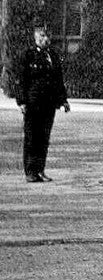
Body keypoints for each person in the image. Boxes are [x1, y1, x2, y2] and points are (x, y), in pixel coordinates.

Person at [16, 25, 70, 182]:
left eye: (47, 36)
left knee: (44, 138)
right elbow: (21, 80)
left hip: (48, 103)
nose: (46, 39)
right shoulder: (28, 55)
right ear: (35, 38)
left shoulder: (52, 55)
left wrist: (63, 100)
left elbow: (58, 81)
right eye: (42, 36)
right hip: (33, 103)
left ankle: (40, 169)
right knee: (32, 137)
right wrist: (21, 101)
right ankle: (30, 171)